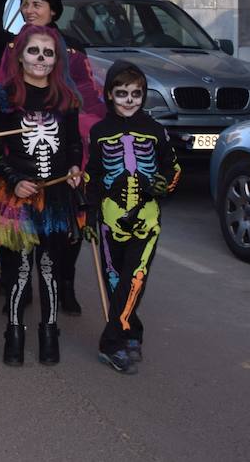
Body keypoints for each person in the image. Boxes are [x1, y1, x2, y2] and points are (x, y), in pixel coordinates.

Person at [0, 23, 83, 367]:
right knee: (18, 270)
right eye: (34, 51)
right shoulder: (2, 96)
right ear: (20, 55)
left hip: (55, 195)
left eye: (48, 52)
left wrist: (74, 167)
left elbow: (73, 144)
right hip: (17, 196)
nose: (41, 59)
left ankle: (49, 331)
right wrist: (13, 179)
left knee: (49, 267)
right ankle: (14, 332)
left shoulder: (66, 98)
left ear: (56, 59)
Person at [15, 0, 105, 316]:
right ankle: (18, 282)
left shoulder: (73, 52)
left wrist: (73, 132)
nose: (29, 9)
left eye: (37, 3)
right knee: (21, 218)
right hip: (22, 147)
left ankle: (65, 284)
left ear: (54, 9)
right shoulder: (12, 47)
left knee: (69, 224)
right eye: (25, 2)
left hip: (68, 145)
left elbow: (91, 102)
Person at [86, 61, 180, 374]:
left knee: (135, 277)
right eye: (122, 93)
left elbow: (172, 167)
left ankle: (110, 343)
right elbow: (94, 177)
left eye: (136, 94)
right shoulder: (100, 132)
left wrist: (163, 184)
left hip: (147, 217)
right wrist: (88, 218)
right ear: (109, 95)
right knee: (116, 281)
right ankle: (131, 333)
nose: (129, 100)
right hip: (110, 217)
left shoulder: (155, 130)